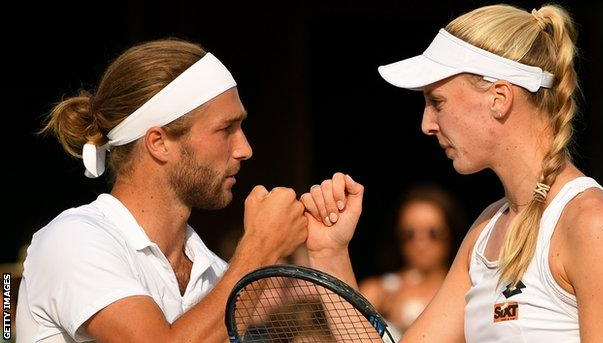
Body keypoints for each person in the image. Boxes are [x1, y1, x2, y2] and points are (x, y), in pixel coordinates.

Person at [301, 4, 603, 342]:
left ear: (499, 97)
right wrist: (330, 254)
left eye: (437, 102)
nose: (426, 124)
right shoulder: (485, 229)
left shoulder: (593, 223)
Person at [16, 38, 363, 343]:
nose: (245, 149)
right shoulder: (74, 238)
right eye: (226, 128)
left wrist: (329, 253)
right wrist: (263, 245)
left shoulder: (215, 272)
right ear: (159, 143)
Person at [359, 186, 465, 333]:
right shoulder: (379, 291)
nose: (420, 243)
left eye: (433, 233)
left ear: (451, 235)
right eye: (409, 234)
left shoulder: (466, 291)